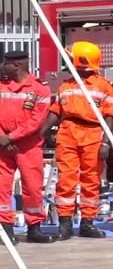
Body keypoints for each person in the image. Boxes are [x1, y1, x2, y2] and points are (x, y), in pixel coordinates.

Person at [39, 42, 113, 240]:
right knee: (66, 179)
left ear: (80, 61)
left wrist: (106, 142)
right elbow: (57, 112)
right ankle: (65, 223)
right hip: (68, 131)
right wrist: (41, 132)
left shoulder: (103, 86)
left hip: (93, 133)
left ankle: (87, 223)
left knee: (91, 180)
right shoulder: (67, 85)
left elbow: (110, 115)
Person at [0, 50, 57, 244]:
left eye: (5, 63)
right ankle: (5, 229)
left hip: (28, 146)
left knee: (32, 188)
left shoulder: (40, 89)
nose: (2, 67)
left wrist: (11, 137)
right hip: (2, 146)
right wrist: (2, 137)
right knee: (2, 187)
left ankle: (35, 228)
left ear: (16, 65)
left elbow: (36, 121)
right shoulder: (1, 85)